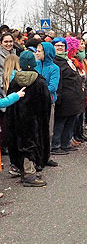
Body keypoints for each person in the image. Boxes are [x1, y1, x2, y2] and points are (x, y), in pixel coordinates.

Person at [6, 51, 51, 187]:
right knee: (32, 145)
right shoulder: (39, 81)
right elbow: (46, 103)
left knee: (19, 144)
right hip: (34, 120)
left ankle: (22, 170)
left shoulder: (15, 81)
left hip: (17, 119)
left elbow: (10, 102)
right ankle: (30, 175)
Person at [51, 37, 84, 155]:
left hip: (73, 98)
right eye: (57, 46)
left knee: (70, 121)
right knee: (60, 122)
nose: (60, 47)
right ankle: (56, 145)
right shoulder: (54, 62)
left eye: (62, 45)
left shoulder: (67, 60)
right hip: (63, 98)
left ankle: (66, 144)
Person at [34, 42, 60, 166]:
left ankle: (47, 156)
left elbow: (53, 87)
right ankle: (37, 157)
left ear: (47, 53)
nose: (37, 53)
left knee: (48, 131)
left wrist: (38, 91)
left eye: (39, 51)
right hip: (35, 103)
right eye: (37, 50)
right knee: (37, 130)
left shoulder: (54, 68)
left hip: (48, 102)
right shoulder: (35, 65)